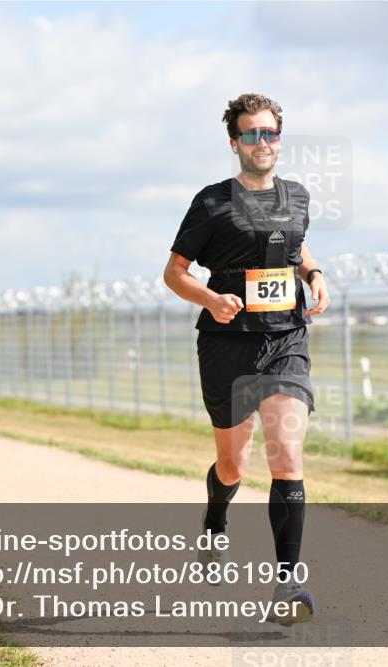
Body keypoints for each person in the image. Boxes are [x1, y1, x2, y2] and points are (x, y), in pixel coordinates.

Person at [163, 93, 330, 626]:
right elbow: (175, 272)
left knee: (286, 454)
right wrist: (211, 299)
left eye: (270, 133)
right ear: (234, 142)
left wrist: (314, 274)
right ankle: (216, 520)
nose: (263, 142)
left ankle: (288, 585)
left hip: (286, 339)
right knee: (234, 464)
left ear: (279, 138)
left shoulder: (297, 196)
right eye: (252, 134)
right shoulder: (212, 202)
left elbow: (295, 247)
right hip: (228, 343)